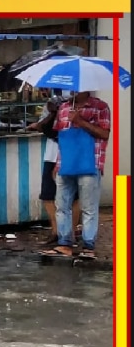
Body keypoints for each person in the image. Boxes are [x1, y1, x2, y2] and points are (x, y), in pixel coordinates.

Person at [39, 90, 111, 260]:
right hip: (66, 164)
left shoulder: (100, 107)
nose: (73, 91)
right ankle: (64, 244)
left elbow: (104, 134)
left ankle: (88, 246)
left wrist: (80, 122)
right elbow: (61, 138)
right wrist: (58, 163)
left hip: (90, 164)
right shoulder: (64, 108)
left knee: (88, 207)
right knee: (62, 205)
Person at [25, 93, 79, 247]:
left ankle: (71, 232)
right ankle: (56, 231)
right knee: (48, 195)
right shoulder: (52, 103)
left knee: (74, 196)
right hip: (52, 154)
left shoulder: (79, 106)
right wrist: (53, 112)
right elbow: (44, 127)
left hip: (70, 154)